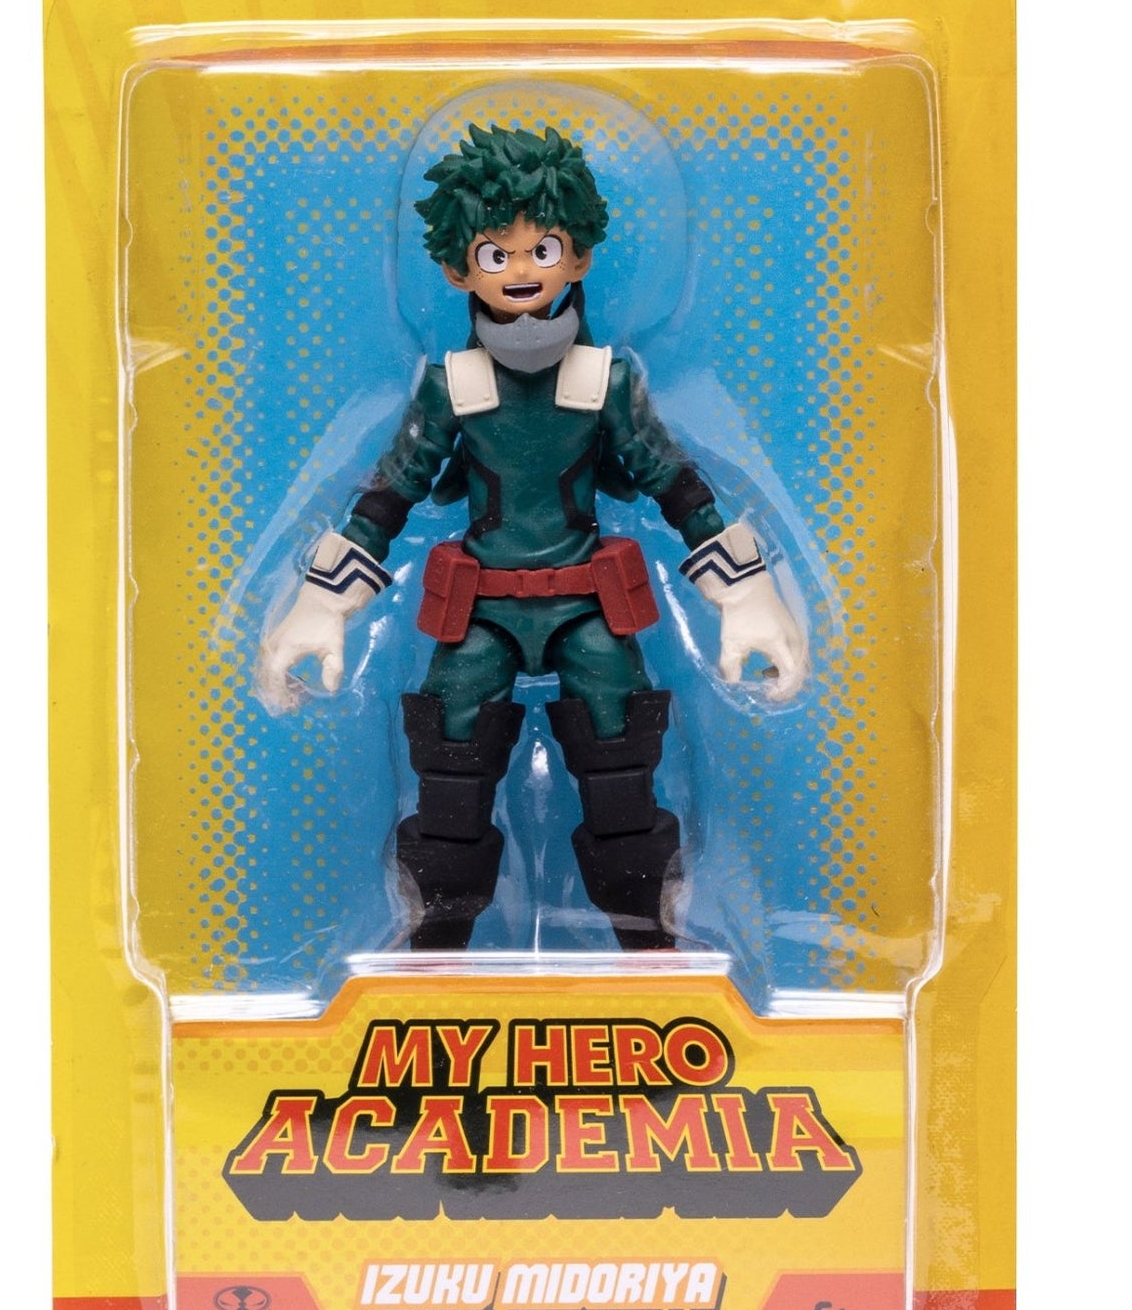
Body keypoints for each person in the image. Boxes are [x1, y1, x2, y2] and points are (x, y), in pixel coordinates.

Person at [257, 123, 805, 950]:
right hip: (481, 613)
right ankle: (436, 942)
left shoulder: (602, 381)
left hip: (590, 609)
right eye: (495, 254)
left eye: (542, 249)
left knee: (621, 766)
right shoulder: (455, 385)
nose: (520, 270)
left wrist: (747, 594)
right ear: (458, 269)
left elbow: (673, 481)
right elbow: (392, 492)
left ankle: (647, 941)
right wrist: (320, 605)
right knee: (450, 764)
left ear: (577, 257)